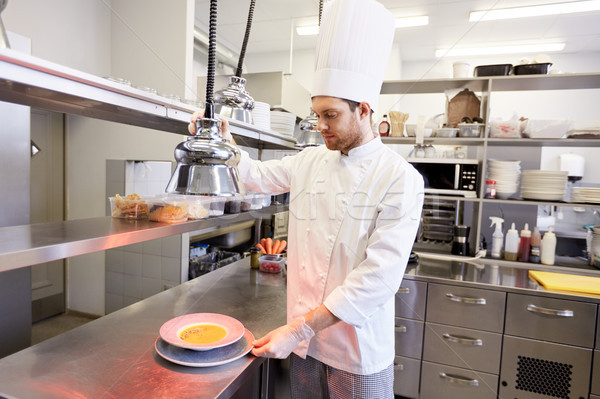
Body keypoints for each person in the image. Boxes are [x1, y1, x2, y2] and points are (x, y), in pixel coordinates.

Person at [190, 0, 424, 397]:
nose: (320, 126)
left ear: (363, 110)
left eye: (330, 115)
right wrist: (221, 141)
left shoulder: (400, 178)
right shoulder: (311, 160)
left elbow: (377, 280)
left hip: (357, 353)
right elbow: (255, 175)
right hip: (306, 346)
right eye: (317, 114)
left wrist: (296, 328)